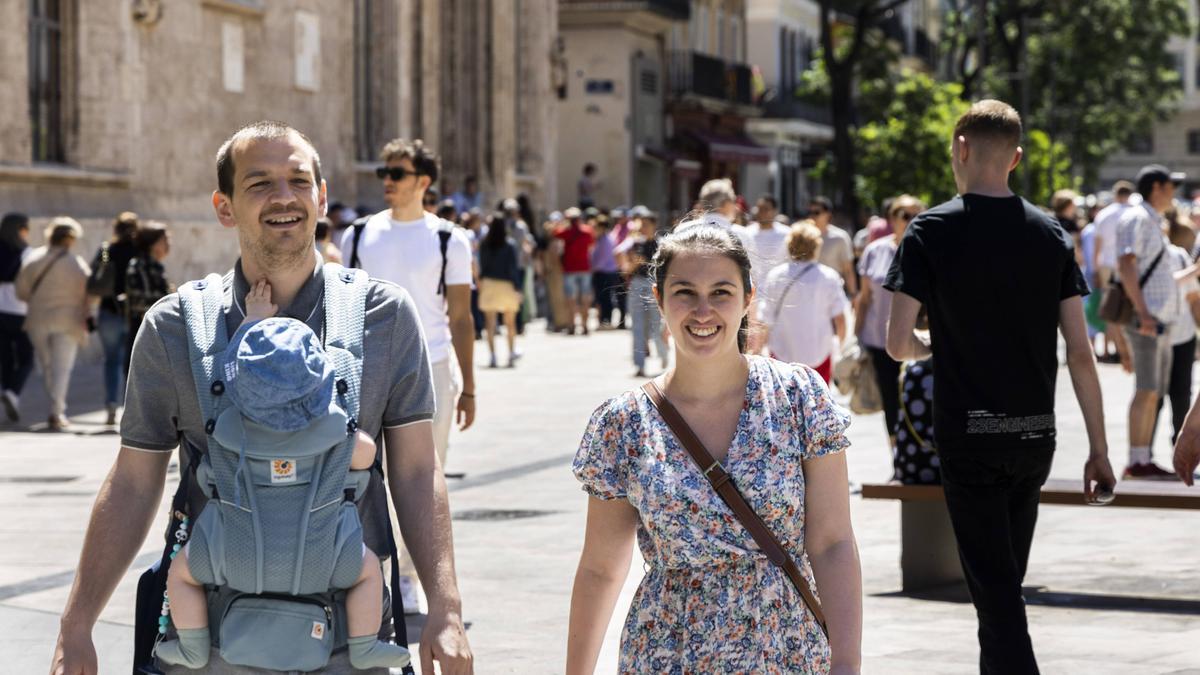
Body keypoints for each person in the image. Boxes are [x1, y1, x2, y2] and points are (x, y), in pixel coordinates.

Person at [50, 121, 473, 675]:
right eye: (259, 183)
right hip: (213, 651)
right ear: (224, 207)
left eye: (299, 181)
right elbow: (133, 480)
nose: (283, 197)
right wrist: (76, 624)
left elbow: (418, 470)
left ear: (321, 197)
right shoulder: (175, 327)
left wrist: (445, 605)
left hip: (350, 647)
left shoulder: (385, 316)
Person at [567, 222, 862, 673]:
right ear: (660, 300)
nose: (703, 311)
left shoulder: (798, 396)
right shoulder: (623, 423)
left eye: (721, 292)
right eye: (685, 292)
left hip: (786, 650)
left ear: (747, 298)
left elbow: (833, 543)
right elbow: (600, 569)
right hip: (668, 652)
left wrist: (847, 662)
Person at [885, 99, 1115, 673]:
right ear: (1014, 158)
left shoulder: (931, 229)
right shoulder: (1051, 232)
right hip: (1036, 435)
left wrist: (936, 347)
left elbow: (895, 342)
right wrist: (1100, 449)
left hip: (969, 435)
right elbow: (1081, 354)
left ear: (960, 149)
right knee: (1001, 586)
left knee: (997, 594)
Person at [155, 286, 410, 671]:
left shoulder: (227, 429)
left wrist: (252, 321)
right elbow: (367, 455)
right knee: (369, 573)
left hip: (232, 555)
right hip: (326, 558)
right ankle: (364, 645)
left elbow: (226, 377)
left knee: (182, 574)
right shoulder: (336, 433)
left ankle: (192, 645)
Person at [340, 137, 477, 611]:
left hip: (433, 366)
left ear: (423, 181)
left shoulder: (448, 239)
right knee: (362, 471)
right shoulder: (356, 235)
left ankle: (411, 575)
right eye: (384, 173)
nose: (387, 182)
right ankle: (366, 569)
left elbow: (461, 317)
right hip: (366, 370)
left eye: (396, 173)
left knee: (423, 474)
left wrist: (470, 388)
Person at [1116, 164, 1185, 480]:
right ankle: (1135, 460)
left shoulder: (1150, 219)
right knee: (1146, 389)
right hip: (1148, 319)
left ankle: (1143, 457)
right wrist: (1142, 312)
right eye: (1171, 185)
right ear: (1157, 187)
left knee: (1153, 391)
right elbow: (1126, 265)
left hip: (1158, 319)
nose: (1174, 192)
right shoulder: (1138, 217)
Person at [855, 195, 926, 448]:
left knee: (919, 398)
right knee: (890, 402)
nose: (911, 221)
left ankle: (918, 454)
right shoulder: (875, 251)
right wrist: (857, 337)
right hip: (879, 340)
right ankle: (897, 457)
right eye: (905, 216)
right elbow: (864, 299)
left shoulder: (928, 249)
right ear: (892, 220)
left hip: (921, 342)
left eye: (917, 215)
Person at [15, 217, 91, 432]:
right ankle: (57, 411)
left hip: (38, 319)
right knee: (62, 368)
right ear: (70, 239)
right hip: (68, 321)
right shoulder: (76, 263)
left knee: (47, 366)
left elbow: (21, 290)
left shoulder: (34, 259)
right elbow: (89, 292)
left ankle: (55, 407)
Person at [758, 221, 848, 383]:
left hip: (781, 354)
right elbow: (840, 319)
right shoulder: (828, 277)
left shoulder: (775, 276)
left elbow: (765, 319)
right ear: (816, 246)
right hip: (818, 353)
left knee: (784, 406)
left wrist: (757, 351)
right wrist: (838, 348)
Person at [88, 212, 140, 425]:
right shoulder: (140, 251)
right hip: (134, 312)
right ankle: (132, 409)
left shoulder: (107, 250)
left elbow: (92, 276)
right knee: (135, 362)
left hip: (109, 312)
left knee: (112, 360)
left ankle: (111, 405)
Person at [615, 210, 668, 377]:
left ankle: (664, 357)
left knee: (656, 326)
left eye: (646, 224)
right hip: (637, 284)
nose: (642, 227)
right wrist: (632, 264)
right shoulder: (635, 243)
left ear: (654, 225)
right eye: (641, 224)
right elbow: (623, 262)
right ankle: (639, 364)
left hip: (655, 285)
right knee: (637, 326)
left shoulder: (663, 244)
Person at [0, 213, 34, 422]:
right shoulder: (27, 253)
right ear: (20, 229)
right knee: (27, 358)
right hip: (20, 311)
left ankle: (7, 389)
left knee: (5, 357)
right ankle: (13, 392)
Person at [477, 216, 523, 368]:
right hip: (506, 285)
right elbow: (513, 268)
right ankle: (510, 354)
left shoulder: (484, 244)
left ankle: (493, 356)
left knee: (490, 323)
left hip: (489, 283)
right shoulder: (509, 245)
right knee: (510, 323)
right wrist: (518, 288)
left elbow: (482, 266)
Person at [123, 220, 172, 364]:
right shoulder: (141, 266)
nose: (169, 244)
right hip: (144, 332)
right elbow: (140, 301)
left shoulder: (155, 266)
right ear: (153, 244)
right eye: (165, 240)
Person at [555, 206, 595, 335]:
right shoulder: (587, 231)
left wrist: (563, 222)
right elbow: (591, 245)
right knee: (585, 298)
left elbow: (555, 232)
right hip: (584, 268)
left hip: (570, 269)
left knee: (571, 298)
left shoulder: (566, 232)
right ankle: (584, 325)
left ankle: (572, 324)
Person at [808, 196, 858, 295]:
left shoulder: (840, 237)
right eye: (810, 212)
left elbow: (848, 270)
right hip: (808, 292)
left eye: (816, 212)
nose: (812, 216)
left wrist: (853, 294)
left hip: (832, 292)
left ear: (828, 214)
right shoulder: (803, 237)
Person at [744, 193, 792, 292]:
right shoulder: (746, 233)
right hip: (753, 291)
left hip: (778, 290)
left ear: (775, 211)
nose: (762, 212)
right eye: (759, 209)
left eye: (766, 209)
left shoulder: (787, 234)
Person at [590, 215, 620, 329]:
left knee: (605, 298)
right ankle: (604, 320)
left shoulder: (606, 240)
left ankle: (606, 321)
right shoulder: (602, 239)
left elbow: (602, 259)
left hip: (605, 273)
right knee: (603, 297)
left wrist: (592, 268)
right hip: (604, 272)